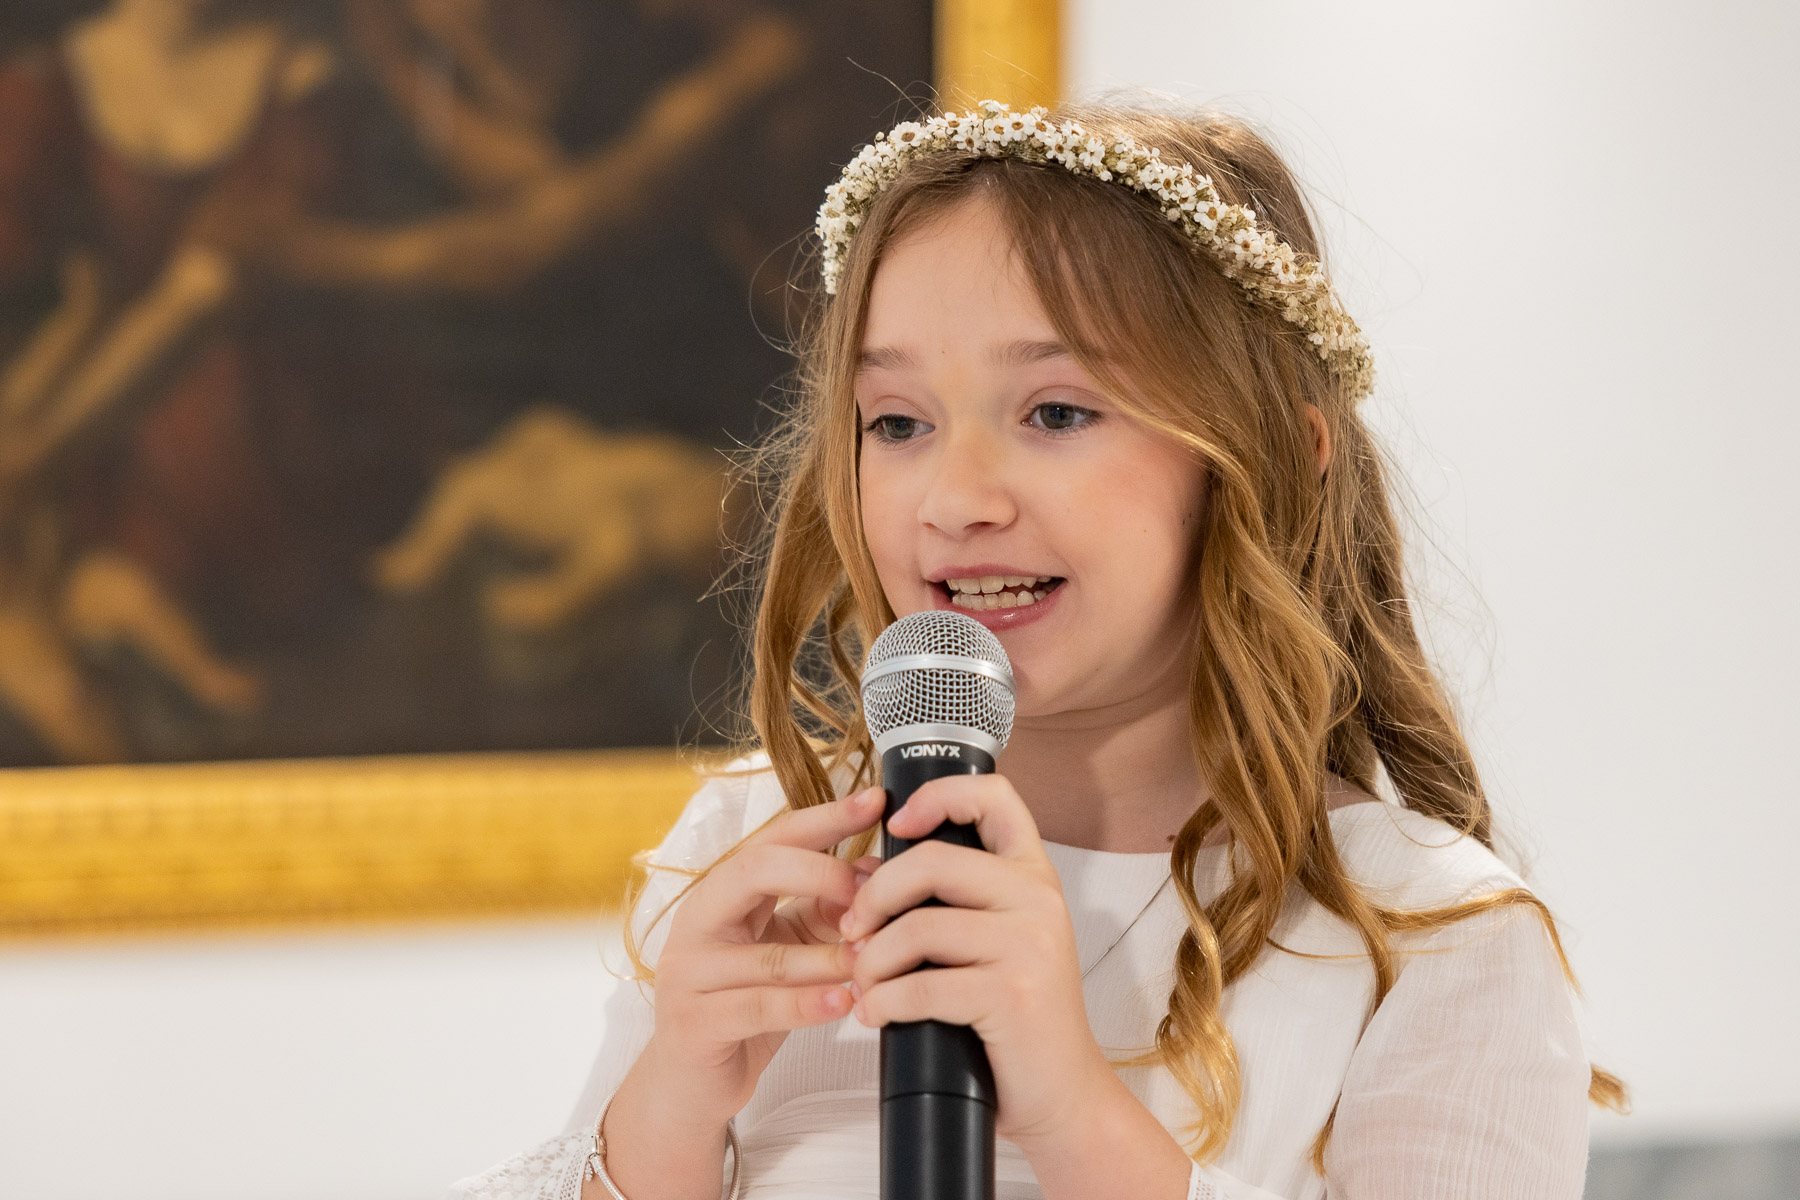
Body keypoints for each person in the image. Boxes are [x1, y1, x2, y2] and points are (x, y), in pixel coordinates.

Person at [449, 98, 1629, 1200]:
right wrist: (668, 1108)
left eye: (1055, 413)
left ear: (1273, 456)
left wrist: (1073, 1113)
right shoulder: (745, 848)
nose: (954, 499)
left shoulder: (1434, 946)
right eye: (898, 422)